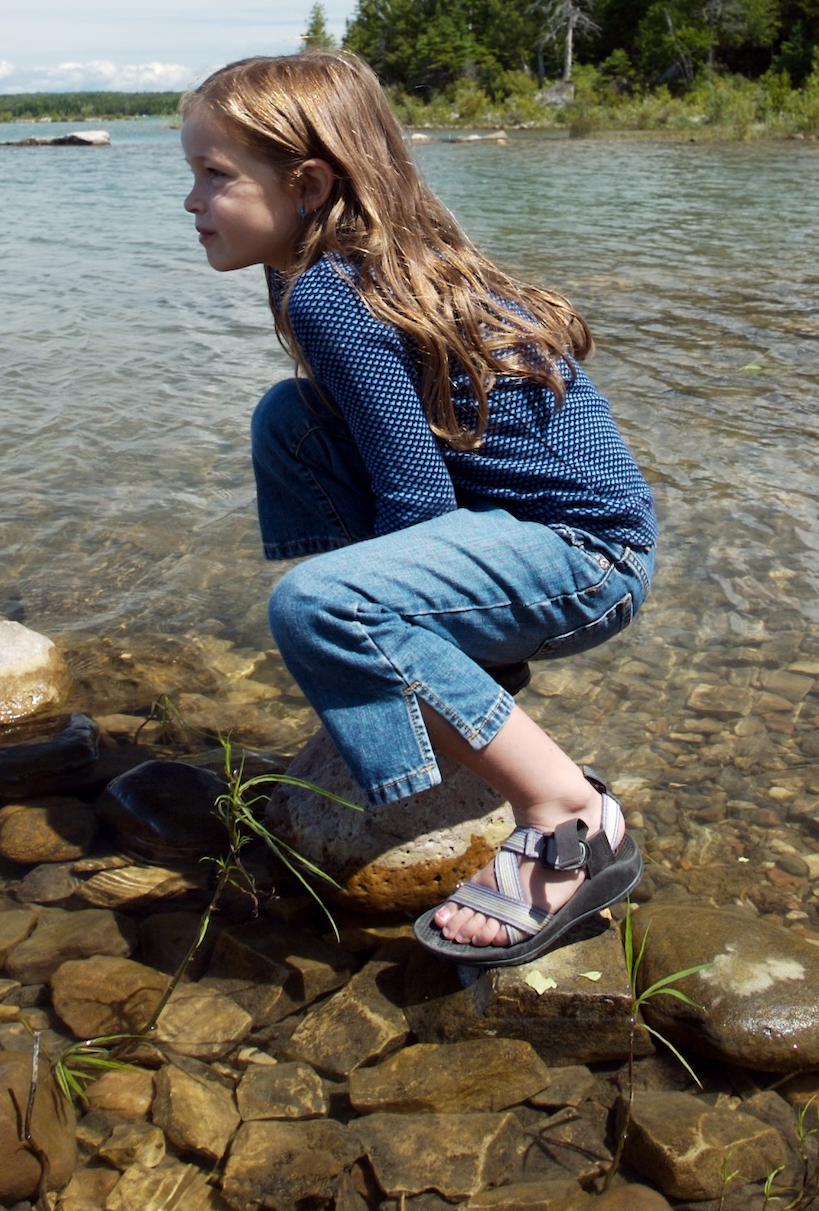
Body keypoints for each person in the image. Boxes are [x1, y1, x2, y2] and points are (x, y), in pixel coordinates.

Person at [180, 50, 657, 967]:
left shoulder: (331, 289)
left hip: (583, 557)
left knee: (320, 607)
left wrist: (362, 626)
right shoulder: (333, 264)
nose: (193, 202)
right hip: (537, 538)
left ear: (308, 182)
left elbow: (415, 494)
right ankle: (465, 675)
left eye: (214, 176)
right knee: (291, 419)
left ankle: (569, 818)